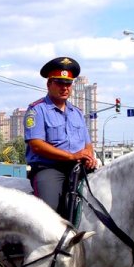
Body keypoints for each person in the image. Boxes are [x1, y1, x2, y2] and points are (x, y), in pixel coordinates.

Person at [23, 56, 97, 218]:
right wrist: (71, 156)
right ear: (49, 84)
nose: (65, 88)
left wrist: (89, 156)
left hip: (79, 167)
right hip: (50, 169)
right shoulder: (37, 110)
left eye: (68, 84)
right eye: (59, 83)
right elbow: (36, 144)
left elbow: (87, 143)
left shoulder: (76, 113)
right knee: (49, 212)